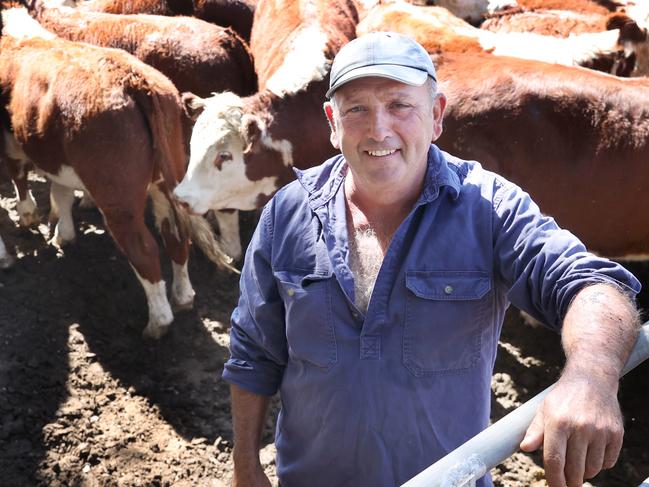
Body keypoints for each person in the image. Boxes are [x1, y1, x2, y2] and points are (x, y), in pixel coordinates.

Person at [222, 31, 642, 487]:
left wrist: (590, 378)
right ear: (332, 122)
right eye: (357, 108)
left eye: (400, 105)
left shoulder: (488, 208)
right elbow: (253, 351)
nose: (379, 129)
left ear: (436, 114)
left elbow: (588, 284)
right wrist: (246, 465)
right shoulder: (287, 213)